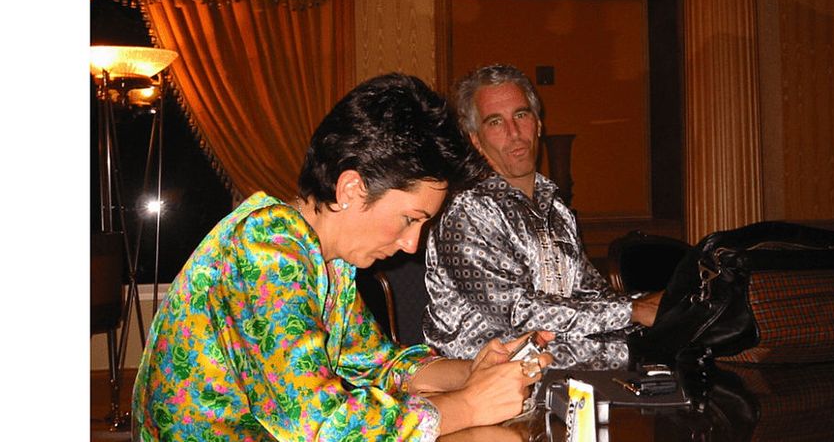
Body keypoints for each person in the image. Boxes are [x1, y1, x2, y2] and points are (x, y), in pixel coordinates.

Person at [132, 73, 554, 441]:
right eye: (410, 219)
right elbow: (321, 424)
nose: (412, 244)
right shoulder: (265, 246)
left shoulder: (329, 262)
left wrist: (472, 371)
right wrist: (469, 405)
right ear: (351, 189)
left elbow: (379, 363)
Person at [422, 64, 662, 367]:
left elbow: (590, 295)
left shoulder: (555, 208)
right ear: (476, 140)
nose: (514, 133)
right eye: (495, 122)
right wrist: (633, 312)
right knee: (657, 356)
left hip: (557, 366)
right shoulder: (467, 211)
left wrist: (657, 302)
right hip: (486, 375)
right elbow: (518, 312)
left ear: (538, 124)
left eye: (521, 115)